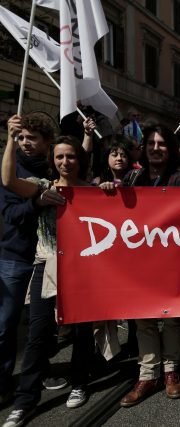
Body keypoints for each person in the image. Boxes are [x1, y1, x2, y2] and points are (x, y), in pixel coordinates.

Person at [2, 129, 97, 426]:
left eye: (70, 156)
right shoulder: (42, 188)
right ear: (52, 160)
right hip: (47, 267)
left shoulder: (91, 190)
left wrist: (106, 188)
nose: (65, 162)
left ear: (79, 160)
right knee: (38, 335)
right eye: (59, 157)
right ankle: (25, 400)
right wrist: (8, 140)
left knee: (82, 332)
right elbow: (8, 181)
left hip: (83, 270)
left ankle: (80, 382)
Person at [111, 126, 180, 408]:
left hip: (171, 263)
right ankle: (148, 375)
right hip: (139, 263)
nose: (156, 148)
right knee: (143, 319)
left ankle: (170, 371)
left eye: (162, 144)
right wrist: (106, 192)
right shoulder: (132, 178)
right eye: (151, 144)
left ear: (170, 149)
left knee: (171, 319)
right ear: (144, 149)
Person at [0, 113, 55, 407]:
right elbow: (10, 213)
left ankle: (41, 370)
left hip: (47, 259)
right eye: (21, 138)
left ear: (47, 142)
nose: (25, 143)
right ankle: (4, 382)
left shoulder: (53, 168)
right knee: (5, 324)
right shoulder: (13, 169)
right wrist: (35, 203)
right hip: (15, 257)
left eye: (32, 138)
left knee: (41, 324)